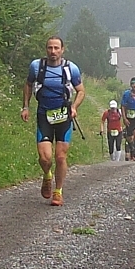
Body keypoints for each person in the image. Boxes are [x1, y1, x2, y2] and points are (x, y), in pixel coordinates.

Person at [21, 35, 85, 206]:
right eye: (50, 48)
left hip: (64, 115)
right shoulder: (37, 66)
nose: (53, 51)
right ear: (46, 50)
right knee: (45, 158)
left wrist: (74, 108)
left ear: (62, 50)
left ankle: (58, 191)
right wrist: (25, 107)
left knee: (61, 157)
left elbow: (81, 91)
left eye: (56, 48)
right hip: (44, 115)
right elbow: (28, 84)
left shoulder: (71, 68)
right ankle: (47, 175)